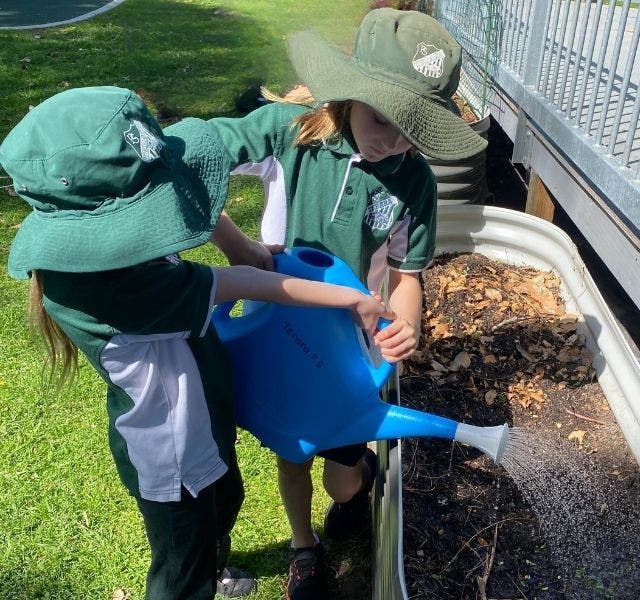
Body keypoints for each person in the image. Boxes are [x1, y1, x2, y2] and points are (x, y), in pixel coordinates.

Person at [0, 86, 395, 600]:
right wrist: (348, 299)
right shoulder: (126, 293)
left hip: (203, 418)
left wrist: (239, 243)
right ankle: (198, 580)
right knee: (180, 568)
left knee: (225, 500)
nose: (171, 214)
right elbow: (251, 285)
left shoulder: (113, 256)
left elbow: (189, 202)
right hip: (173, 454)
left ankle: (214, 565)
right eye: (156, 203)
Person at [207, 8, 487, 599]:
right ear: (347, 93)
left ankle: (357, 481)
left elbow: (408, 276)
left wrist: (406, 320)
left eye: (415, 128)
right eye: (384, 118)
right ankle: (303, 546)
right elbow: (187, 167)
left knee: (340, 478)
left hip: (351, 345)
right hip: (277, 327)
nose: (396, 140)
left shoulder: (414, 182)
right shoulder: (290, 137)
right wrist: (236, 243)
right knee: (292, 446)